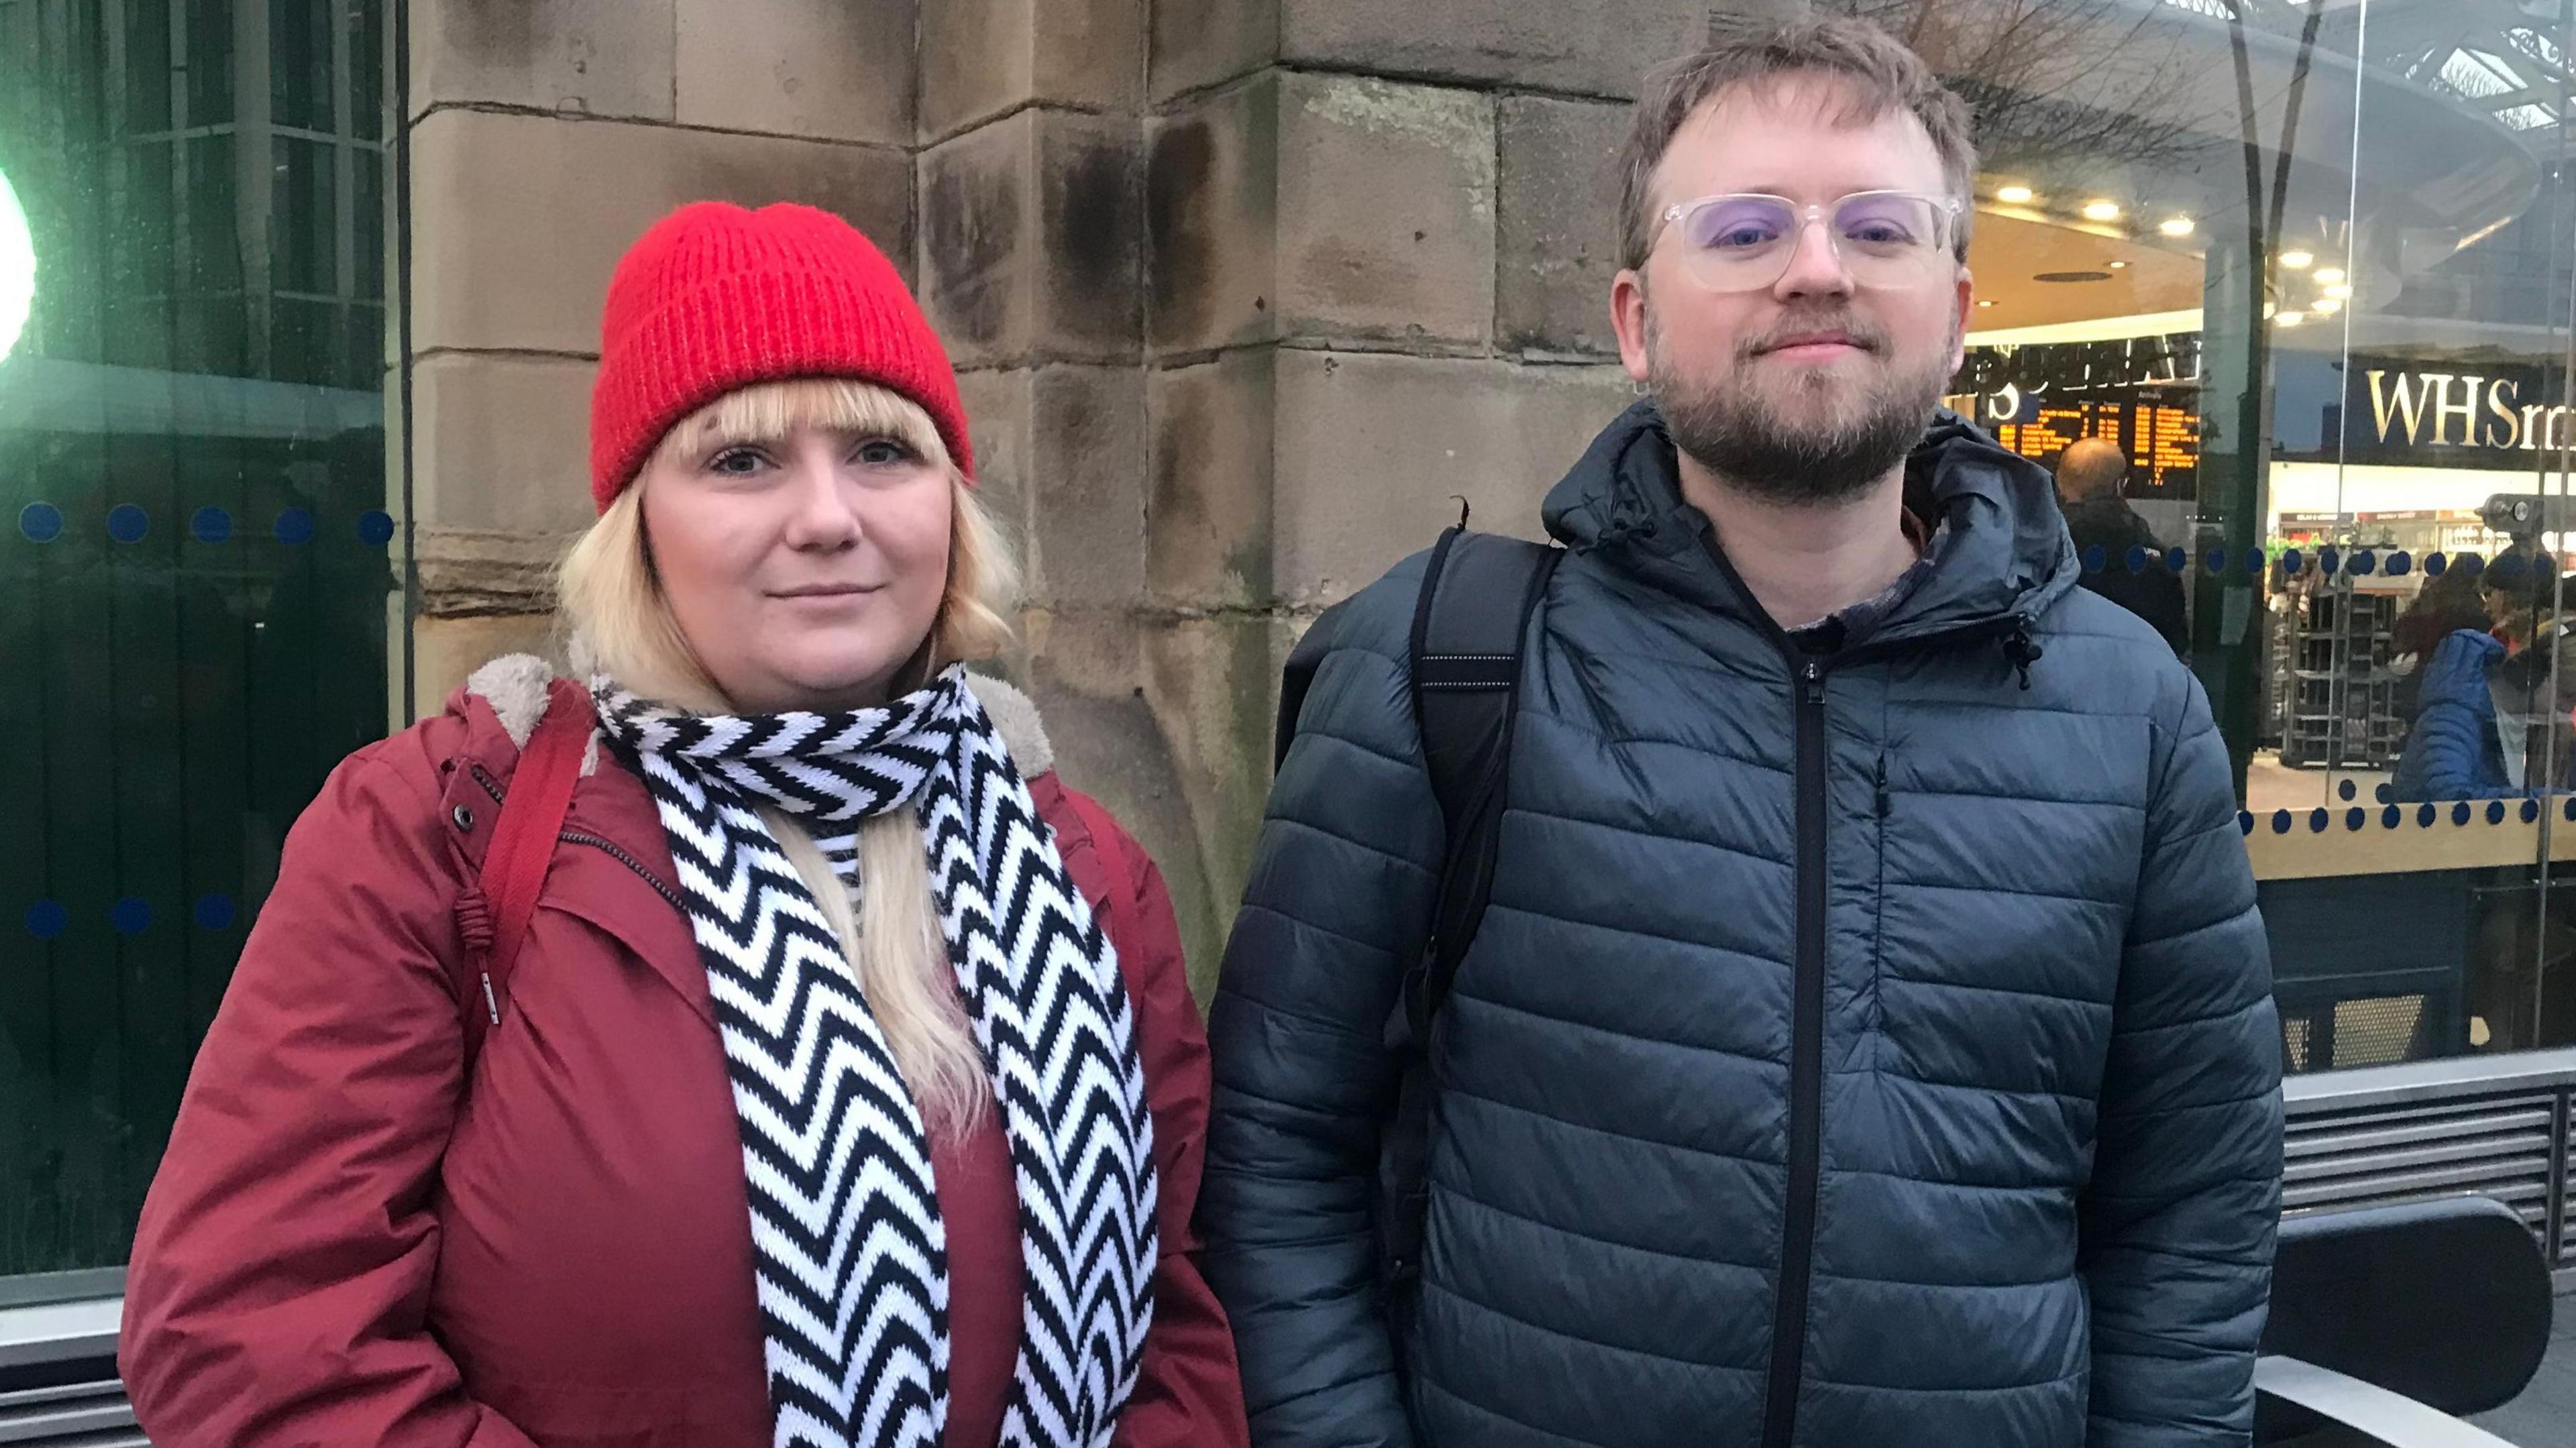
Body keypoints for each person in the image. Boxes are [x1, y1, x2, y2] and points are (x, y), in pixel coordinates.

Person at [1201, 17, 2281, 1448]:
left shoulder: (2133, 711)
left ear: (1957, 311)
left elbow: (2193, 1206)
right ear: (1638, 319)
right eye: (1746, 225)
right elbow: (1274, 1155)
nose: (1818, 266)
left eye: (1878, 226)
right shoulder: (1441, 663)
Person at [119, 202, 1250, 1448]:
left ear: (951, 507)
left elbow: (1172, 1329)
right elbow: (253, 1337)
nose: (828, 515)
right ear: (638, 526)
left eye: (883, 451)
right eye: (740, 460)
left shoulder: (1085, 867)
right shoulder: (438, 828)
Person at [2392, 550, 2571, 801]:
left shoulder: (2539, 726)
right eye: (2567, 694)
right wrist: (2562, 802)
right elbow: (2450, 800)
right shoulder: (2457, 708)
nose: (2568, 707)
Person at [2055, 435, 2189, 652]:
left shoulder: (2047, 547)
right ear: (2121, 485)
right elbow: (2175, 642)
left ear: (2060, 483)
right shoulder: (2154, 555)